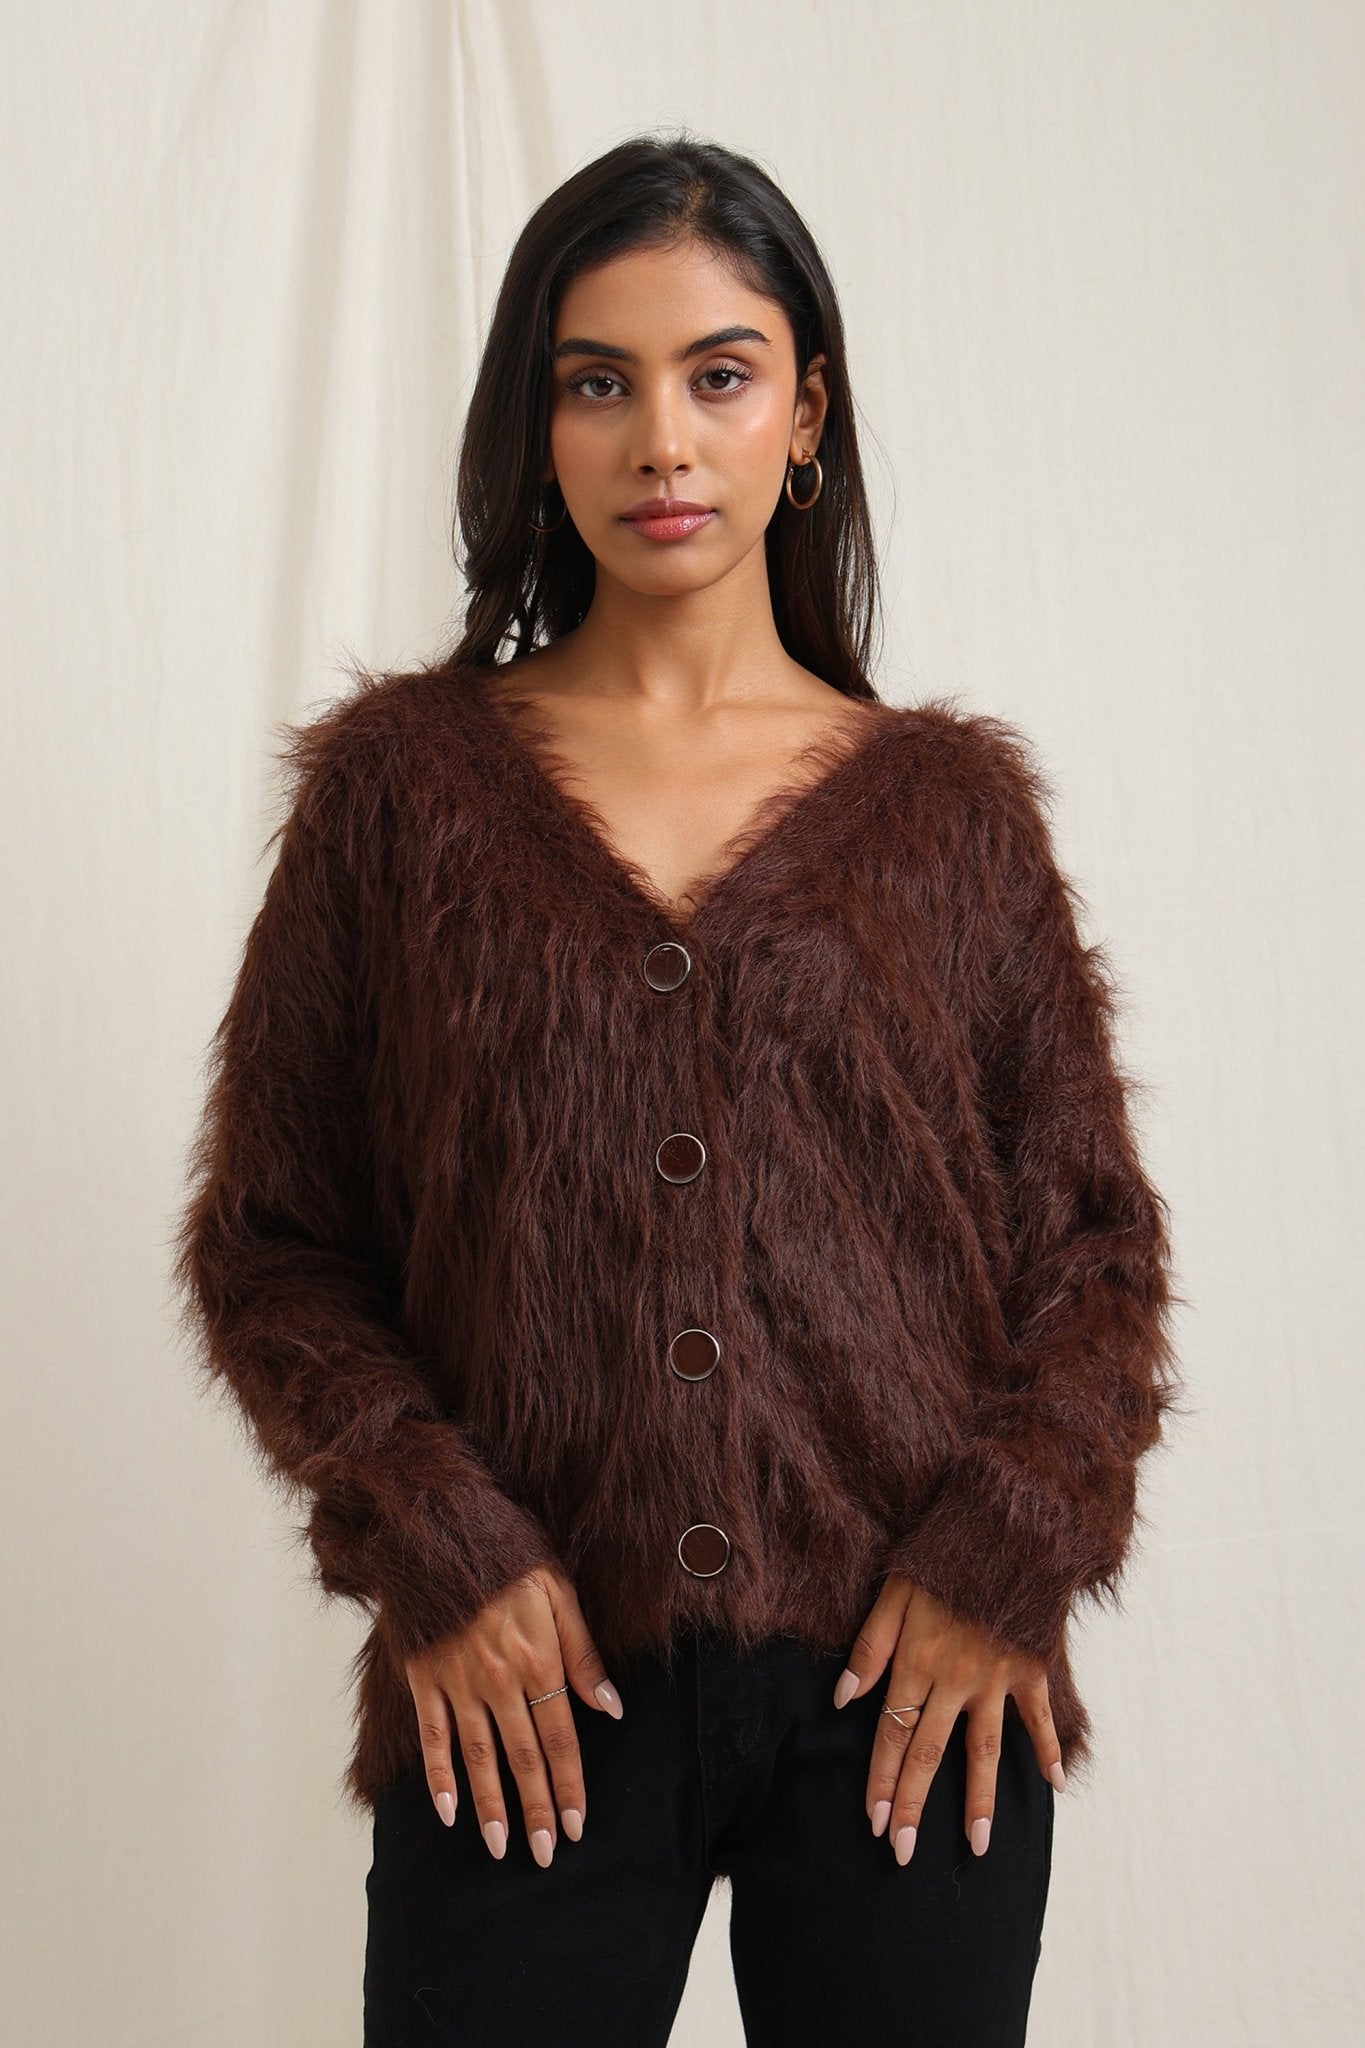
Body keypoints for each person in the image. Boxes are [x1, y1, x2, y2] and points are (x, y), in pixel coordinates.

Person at [173, 131, 1182, 2047]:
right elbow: (276, 1246)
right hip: (525, 1694)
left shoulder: (947, 816)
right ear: (536, 425)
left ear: (806, 414)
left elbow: (1092, 1256)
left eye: (719, 375)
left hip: (908, 1696)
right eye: (597, 382)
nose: (660, 441)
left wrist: (1007, 1550)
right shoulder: (400, 793)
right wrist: (436, 1547)